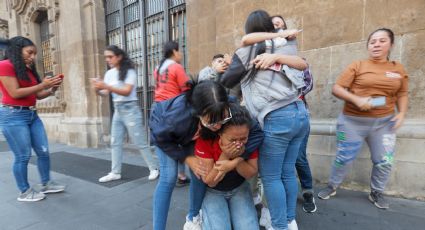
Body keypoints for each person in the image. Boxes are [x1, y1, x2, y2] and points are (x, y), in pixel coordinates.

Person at [221, 10, 309, 230]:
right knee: (287, 172)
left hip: (276, 116)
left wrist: (230, 66)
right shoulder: (286, 45)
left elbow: (227, 79)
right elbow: (303, 64)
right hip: (299, 113)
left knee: (270, 178)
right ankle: (289, 220)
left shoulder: (249, 50)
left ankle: (279, 226)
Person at [149, 80, 263, 230]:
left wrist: (238, 157)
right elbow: (159, 138)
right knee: (169, 177)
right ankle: (164, 226)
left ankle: (194, 215)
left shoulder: (229, 106)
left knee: (199, 171)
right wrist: (187, 158)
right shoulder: (174, 120)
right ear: (197, 114)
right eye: (211, 122)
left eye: (222, 118)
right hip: (165, 133)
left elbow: (256, 133)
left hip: (195, 131)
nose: (217, 126)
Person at [318, 28, 408, 209]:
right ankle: (332, 185)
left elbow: (402, 93)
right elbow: (337, 88)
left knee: (384, 160)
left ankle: (376, 192)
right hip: (352, 122)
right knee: (343, 157)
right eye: (372, 41)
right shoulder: (358, 65)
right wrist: (356, 99)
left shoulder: (397, 69)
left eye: (382, 41)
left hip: (384, 123)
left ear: (391, 45)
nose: (376, 44)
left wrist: (402, 113)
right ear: (368, 45)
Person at [242, 14, 317, 215]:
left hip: (282, 114)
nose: (276, 28)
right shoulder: (264, 45)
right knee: (285, 173)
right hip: (294, 114)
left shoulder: (284, 46)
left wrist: (276, 58)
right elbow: (247, 40)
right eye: (273, 25)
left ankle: (280, 222)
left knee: (274, 175)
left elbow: (304, 66)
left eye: (280, 25)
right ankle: (289, 220)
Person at [0, 36, 65, 202]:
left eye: (35, 53)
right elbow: (15, 93)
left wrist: (52, 89)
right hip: (13, 116)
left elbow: (37, 95)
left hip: (32, 114)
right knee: (23, 156)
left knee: (43, 151)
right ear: (17, 49)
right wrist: (43, 84)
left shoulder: (28, 70)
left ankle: (46, 183)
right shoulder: (4, 65)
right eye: (30, 52)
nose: (33, 57)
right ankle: (25, 191)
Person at [91, 45, 159, 182]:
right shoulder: (109, 73)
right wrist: (96, 88)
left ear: (119, 56)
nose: (107, 60)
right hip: (118, 110)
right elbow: (105, 93)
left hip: (130, 109)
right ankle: (115, 172)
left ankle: (154, 168)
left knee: (140, 141)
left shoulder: (129, 71)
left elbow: (127, 91)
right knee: (115, 141)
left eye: (110, 56)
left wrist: (106, 86)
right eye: (106, 57)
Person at [196, 103, 259, 230]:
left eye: (243, 138)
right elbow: (210, 181)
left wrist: (237, 159)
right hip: (213, 191)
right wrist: (225, 155)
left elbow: (250, 173)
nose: (238, 144)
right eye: (232, 140)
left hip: (239, 187)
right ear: (220, 133)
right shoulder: (204, 141)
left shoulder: (250, 141)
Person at [153, 41, 191, 186]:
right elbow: (186, 88)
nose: (180, 54)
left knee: (166, 141)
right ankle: (180, 174)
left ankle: (172, 172)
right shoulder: (176, 67)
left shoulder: (158, 68)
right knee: (180, 141)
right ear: (174, 52)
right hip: (173, 108)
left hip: (158, 108)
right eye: (179, 51)